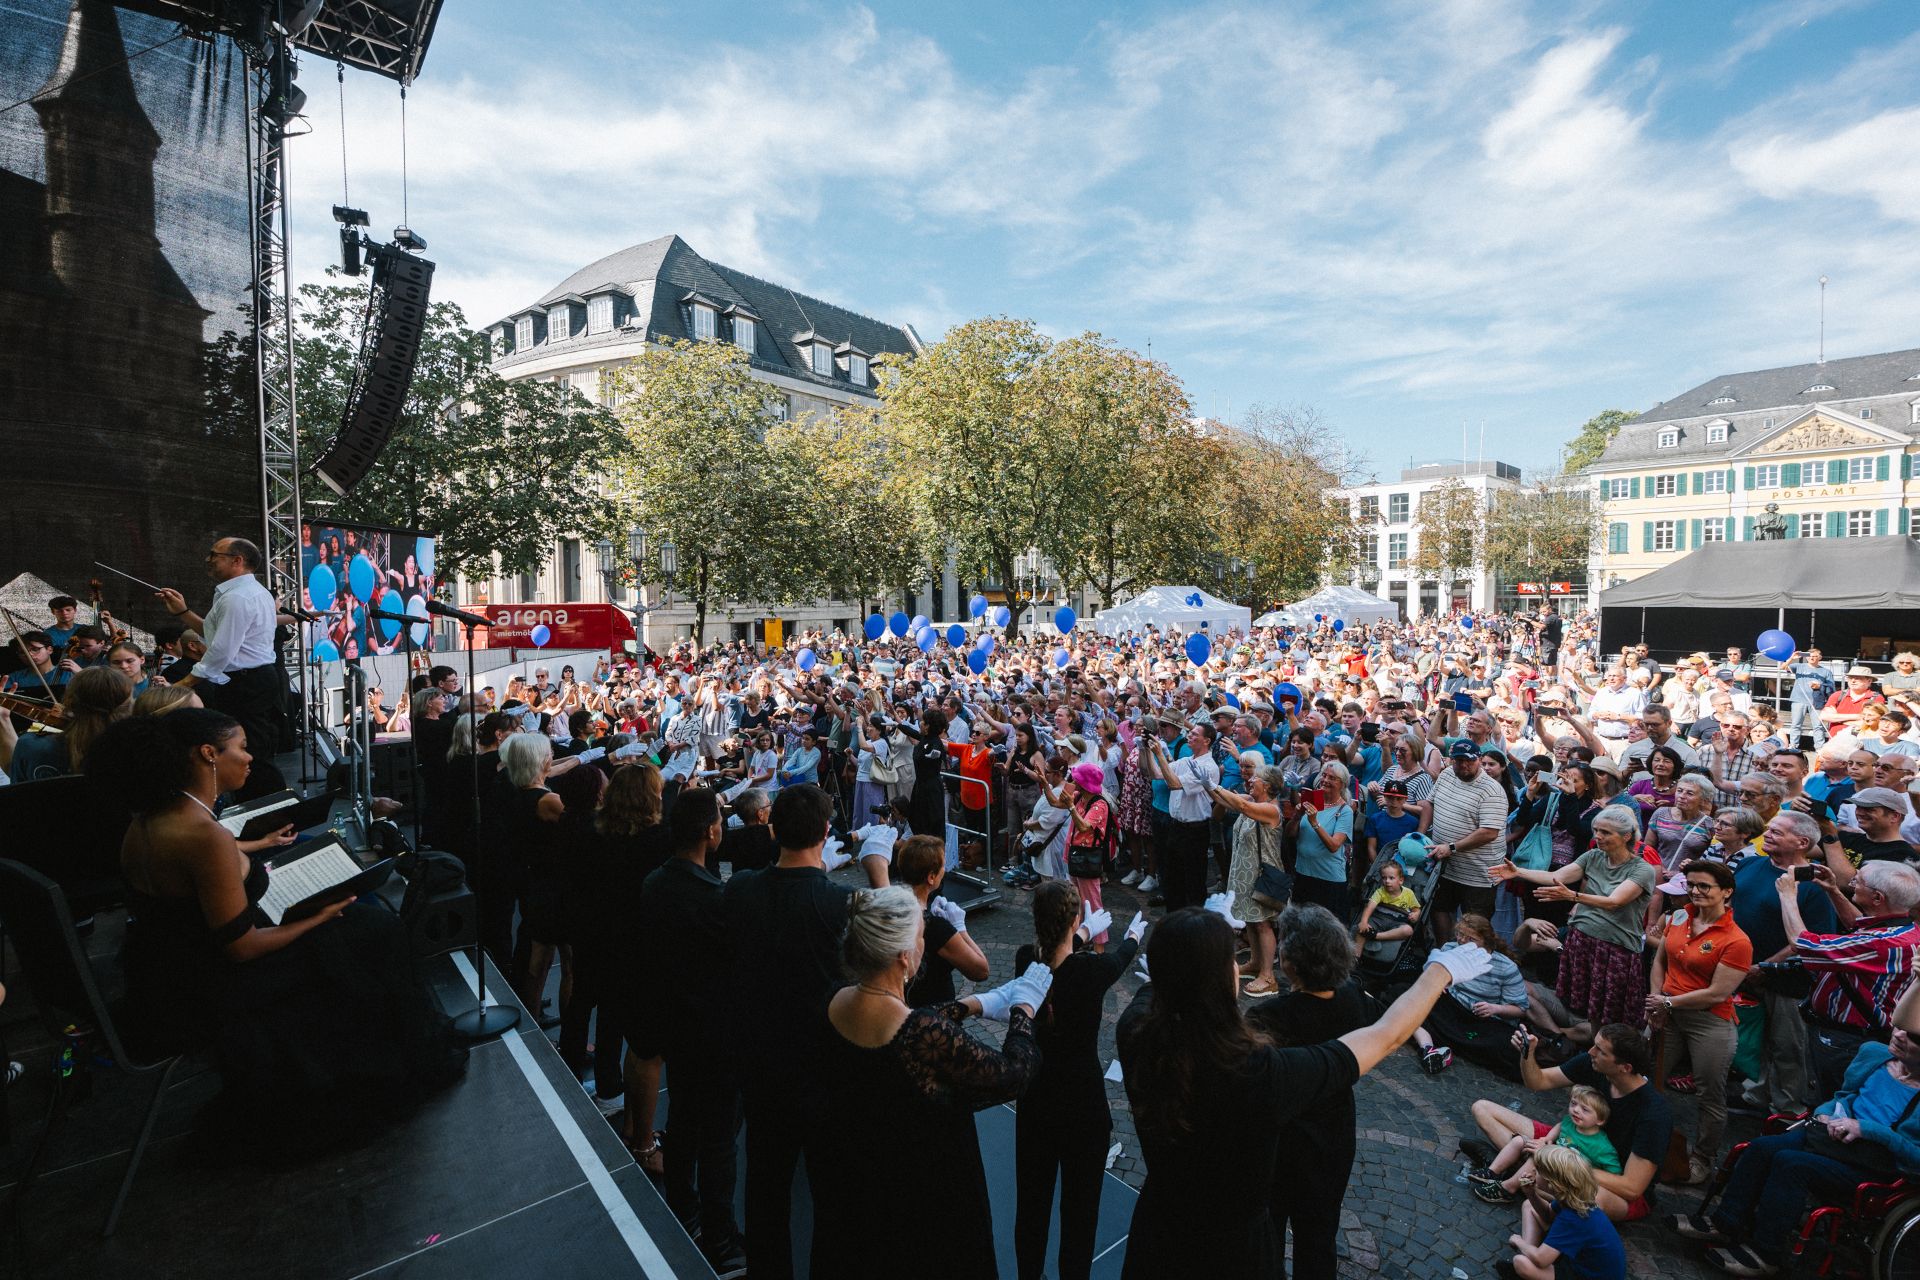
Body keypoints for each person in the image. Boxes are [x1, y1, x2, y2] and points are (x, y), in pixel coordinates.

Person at [84, 710, 464, 1139]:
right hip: (214, 982)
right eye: (241, 748)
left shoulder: (147, 821)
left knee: (362, 926)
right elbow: (241, 948)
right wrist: (318, 917)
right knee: (373, 932)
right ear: (208, 754)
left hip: (170, 967)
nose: (250, 759)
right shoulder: (202, 836)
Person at [1115, 906, 1494, 1276]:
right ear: (1223, 979)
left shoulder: (1134, 1031)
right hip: (1232, 1252)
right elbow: (1386, 1035)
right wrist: (1439, 972)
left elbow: (1159, 992)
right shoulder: (1256, 1073)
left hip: (1160, 1232)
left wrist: (1175, 955)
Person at [808, 886, 1048, 1279]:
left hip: (855, 1191)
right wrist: (1024, 1008)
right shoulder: (921, 1034)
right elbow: (1013, 1075)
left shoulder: (836, 1000)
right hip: (923, 1201)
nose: (924, 944)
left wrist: (974, 1003)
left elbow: (906, 1021)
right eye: (921, 937)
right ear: (905, 957)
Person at [1670, 991, 1920, 1278]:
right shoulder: (1875, 1056)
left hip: (1873, 1165)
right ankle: (1726, 1223)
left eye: (1912, 1037)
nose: (1900, 1035)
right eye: (1899, 1028)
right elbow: (1844, 1095)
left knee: (1791, 1164)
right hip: (1833, 1138)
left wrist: (1867, 1130)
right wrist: (1829, 1113)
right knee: (1763, 1147)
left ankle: (1766, 1252)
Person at [723, 784, 851, 1280]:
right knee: (830, 1191)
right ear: (825, 832)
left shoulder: (739, 890)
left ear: (772, 829)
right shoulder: (841, 903)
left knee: (765, 1184)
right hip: (824, 1067)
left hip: (760, 1061)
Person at [634, 788, 746, 1277]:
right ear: (710, 832)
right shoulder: (714, 899)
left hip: (673, 1026)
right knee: (720, 1138)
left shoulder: (654, 883)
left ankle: (682, 1208)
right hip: (713, 1033)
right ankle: (720, 1237)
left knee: (682, 1119)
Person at [1012, 882, 1145, 1280]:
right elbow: (1121, 955)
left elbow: (1055, 955)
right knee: (1080, 1213)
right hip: (1083, 1110)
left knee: (1031, 1207)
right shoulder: (1092, 970)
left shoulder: (1024, 961)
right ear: (1073, 921)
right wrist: (1134, 936)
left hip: (1035, 1102)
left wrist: (1080, 932)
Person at [1246, 903, 1377, 1280]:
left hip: (1281, 1138)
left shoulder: (1270, 1018)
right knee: (1319, 1236)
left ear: (1291, 963)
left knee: (1268, 1227)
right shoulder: (1353, 996)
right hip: (1334, 1136)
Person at [1466, 1023, 1672, 1223]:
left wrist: (1561, 1158)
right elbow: (1538, 1081)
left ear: (1625, 1067)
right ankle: (1525, 1175)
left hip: (1611, 1184)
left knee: (1592, 1200)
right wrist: (1526, 1054)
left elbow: (1631, 1187)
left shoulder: (1653, 1113)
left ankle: (1516, 1172)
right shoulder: (1593, 1064)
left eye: (1600, 1051)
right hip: (1573, 1141)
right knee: (1483, 1109)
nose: (1590, 1051)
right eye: (1594, 1045)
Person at [1492, 805, 1656, 1030]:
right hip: (1583, 940)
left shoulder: (1641, 869)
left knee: (1609, 1015)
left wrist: (1573, 896)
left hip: (1614, 949)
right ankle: (1578, 1048)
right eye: (1596, 830)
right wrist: (1519, 872)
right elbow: (1556, 876)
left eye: (1605, 832)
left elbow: (1615, 901)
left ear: (1626, 836)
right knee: (1584, 1007)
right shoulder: (1593, 856)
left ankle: (1600, 1054)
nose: (1597, 836)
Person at [1777, 858, 1920, 1100]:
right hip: (1854, 1036)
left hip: (1846, 1040)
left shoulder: (1882, 943)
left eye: (1858, 881)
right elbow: (1859, 929)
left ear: (1877, 898)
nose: (1852, 884)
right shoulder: (1905, 929)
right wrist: (1833, 890)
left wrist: (1788, 895)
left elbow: (1802, 944)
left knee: (1833, 1102)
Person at [154, 536, 285, 799]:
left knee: (249, 753)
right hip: (252, 679)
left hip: (247, 682)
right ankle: (264, 810)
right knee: (249, 748)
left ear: (237, 561)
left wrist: (183, 685)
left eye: (215, 555)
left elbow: (221, 650)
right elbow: (216, 635)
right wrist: (182, 612)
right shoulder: (245, 593)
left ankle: (267, 813)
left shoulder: (237, 598)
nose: (208, 559)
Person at [1645, 858, 1751, 1183]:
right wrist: (1657, 1002)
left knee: (1709, 1091)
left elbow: (1717, 993)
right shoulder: (1680, 915)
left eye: (1704, 886)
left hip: (1709, 1021)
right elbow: (1660, 958)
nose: (1695, 891)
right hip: (1669, 1011)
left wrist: (1666, 1001)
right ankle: (1646, 1144)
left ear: (1727, 892)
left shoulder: (1736, 940)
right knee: (1651, 1077)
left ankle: (1702, 1159)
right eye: (1691, 884)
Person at [1734, 811, 1838, 1115]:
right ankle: (1756, 1094)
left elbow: (1812, 940)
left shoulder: (1814, 885)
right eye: (1770, 829)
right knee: (1757, 1038)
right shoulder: (1750, 863)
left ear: (1802, 842)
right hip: (1742, 970)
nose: (1767, 833)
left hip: (1785, 980)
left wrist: (1765, 967)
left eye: (1777, 832)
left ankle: (1787, 1108)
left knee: (1786, 1045)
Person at [1411, 914, 1532, 1076]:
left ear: (1486, 941)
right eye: (1460, 934)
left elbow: (1521, 1009)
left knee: (1510, 1049)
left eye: (1471, 939)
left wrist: (1494, 1009)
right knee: (1405, 995)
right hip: (1451, 1008)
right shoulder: (1449, 948)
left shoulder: (1506, 967)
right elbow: (1431, 974)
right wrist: (1437, 984)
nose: (1462, 941)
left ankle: (1445, 1040)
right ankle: (1428, 1048)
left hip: (1481, 1021)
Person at [1470, 1083, 1622, 1205]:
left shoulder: (1603, 1147)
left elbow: (1614, 1175)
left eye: (1585, 1109)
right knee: (1519, 1140)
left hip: (1564, 1175)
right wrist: (1547, 1138)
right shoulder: (1571, 1122)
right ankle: (1492, 1172)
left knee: (1537, 1159)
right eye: (1574, 1103)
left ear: (1600, 1120)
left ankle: (1507, 1189)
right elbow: (1560, 1125)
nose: (1575, 1110)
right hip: (1550, 1157)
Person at [1425, 738, 1512, 942]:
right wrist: (1421, 834)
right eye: (1458, 760)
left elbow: (1489, 832)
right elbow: (1429, 803)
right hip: (1445, 865)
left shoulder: (1492, 791)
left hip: (1478, 873)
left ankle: (1470, 965)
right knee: (1438, 908)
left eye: (1469, 760)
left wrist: (1452, 847)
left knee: (1474, 923)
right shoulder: (1447, 774)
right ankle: (1444, 953)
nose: (1463, 765)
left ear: (1479, 759)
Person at [1211, 761, 1286, 995]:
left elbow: (1240, 805)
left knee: (1262, 923)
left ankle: (1268, 976)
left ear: (1267, 786)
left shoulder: (1271, 809)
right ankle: (1255, 963)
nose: (1250, 780)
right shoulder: (1253, 800)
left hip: (1260, 873)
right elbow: (1225, 801)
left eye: (1256, 779)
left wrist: (1212, 783)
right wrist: (1207, 784)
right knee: (1251, 920)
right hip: (1245, 871)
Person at [1504, 1144, 1628, 1280]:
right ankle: (1528, 1253)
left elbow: (1541, 1259)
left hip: (1587, 1275)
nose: (1533, 1170)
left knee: (1522, 1264)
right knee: (1529, 1205)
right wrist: (1531, 1193)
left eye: (1538, 1170)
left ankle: (1526, 1258)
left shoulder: (1573, 1218)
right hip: (1582, 1262)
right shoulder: (1573, 1199)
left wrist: (1519, 1241)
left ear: (1552, 1183)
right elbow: (1548, 1214)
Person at [896, 834, 990, 1007]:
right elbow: (981, 970)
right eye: (943, 866)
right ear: (931, 877)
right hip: (932, 1012)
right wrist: (960, 928)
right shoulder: (935, 927)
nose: (944, 871)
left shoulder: (888, 909)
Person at [5, 665, 132, 783]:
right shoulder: (139, 745)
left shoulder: (33, 745)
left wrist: (3, 720)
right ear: (128, 705)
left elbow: (19, 790)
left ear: (69, 701)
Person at [1146, 720, 1222, 913]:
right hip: (1176, 827)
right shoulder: (1188, 761)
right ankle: (1174, 920)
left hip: (1195, 831)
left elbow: (1174, 784)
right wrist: (1145, 749)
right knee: (1172, 879)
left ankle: (1194, 925)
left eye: (1195, 734)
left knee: (1193, 881)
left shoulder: (1208, 767)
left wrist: (1159, 754)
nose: (1190, 736)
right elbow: (1155, 773)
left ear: (1207, 740)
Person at [1290, 759, 1356, 923]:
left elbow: (1334, 846)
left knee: (1326, 929)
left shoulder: (1344, 811)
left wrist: (1314, 822)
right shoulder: (1312, 802)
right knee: (1301, 925)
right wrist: (1297, 817)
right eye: (1324, 775)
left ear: (1342, 784)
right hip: (1303, 873)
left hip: (1328, 879)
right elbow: (1290, 835)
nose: (1325, 780)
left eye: (1332, 778)